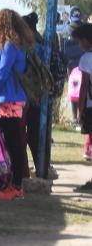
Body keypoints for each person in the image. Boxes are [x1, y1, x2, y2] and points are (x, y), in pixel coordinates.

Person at [0, 9, 35, 200]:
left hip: (9, 100)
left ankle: (16, 185)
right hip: (7, 99)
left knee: (13, 142)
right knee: (8, 141)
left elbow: (1, 74)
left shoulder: (10, 46)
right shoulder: (11, 45)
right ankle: (9, 182)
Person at [23, 12, 66, 178]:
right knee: (33, 136)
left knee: (38, 136)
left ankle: (43, 170)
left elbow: (58, 72)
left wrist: (49, 93)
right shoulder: (24, 47)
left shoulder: (43, 48)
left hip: (39, 101)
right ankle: (41, 169)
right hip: (25, 101)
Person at [71, 24, 92, 192]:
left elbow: (84, 86)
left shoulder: (86, 58)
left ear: (86, 41)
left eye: (79, 41)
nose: (79, 45)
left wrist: (80, 108)